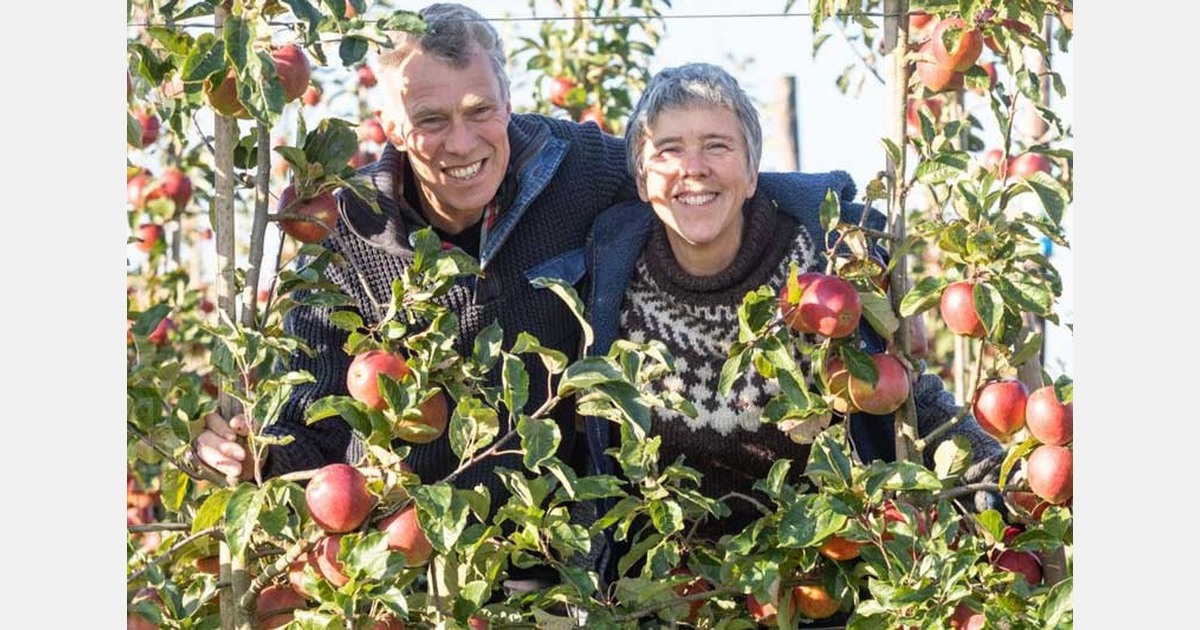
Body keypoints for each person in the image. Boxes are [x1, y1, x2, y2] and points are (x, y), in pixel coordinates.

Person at [193, 3, 638, 519]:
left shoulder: (577, 165)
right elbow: (313, 418)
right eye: (431, 120)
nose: (462, 141)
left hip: (549, 554)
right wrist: (248, 450)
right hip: (402, 557)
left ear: (508, 102)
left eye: (479, 110)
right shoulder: (347, 228)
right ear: (392, 128)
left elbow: (701, 186)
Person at [580, 62, 1004, 577]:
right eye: (668, 149)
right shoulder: (608, 276)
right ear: (642, 178)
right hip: (665, 595)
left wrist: (1002, 475)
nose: (693, 167)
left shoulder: (825, 263)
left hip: (822, 583)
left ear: (753, 172)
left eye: (717, 145)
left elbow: (902, 394)